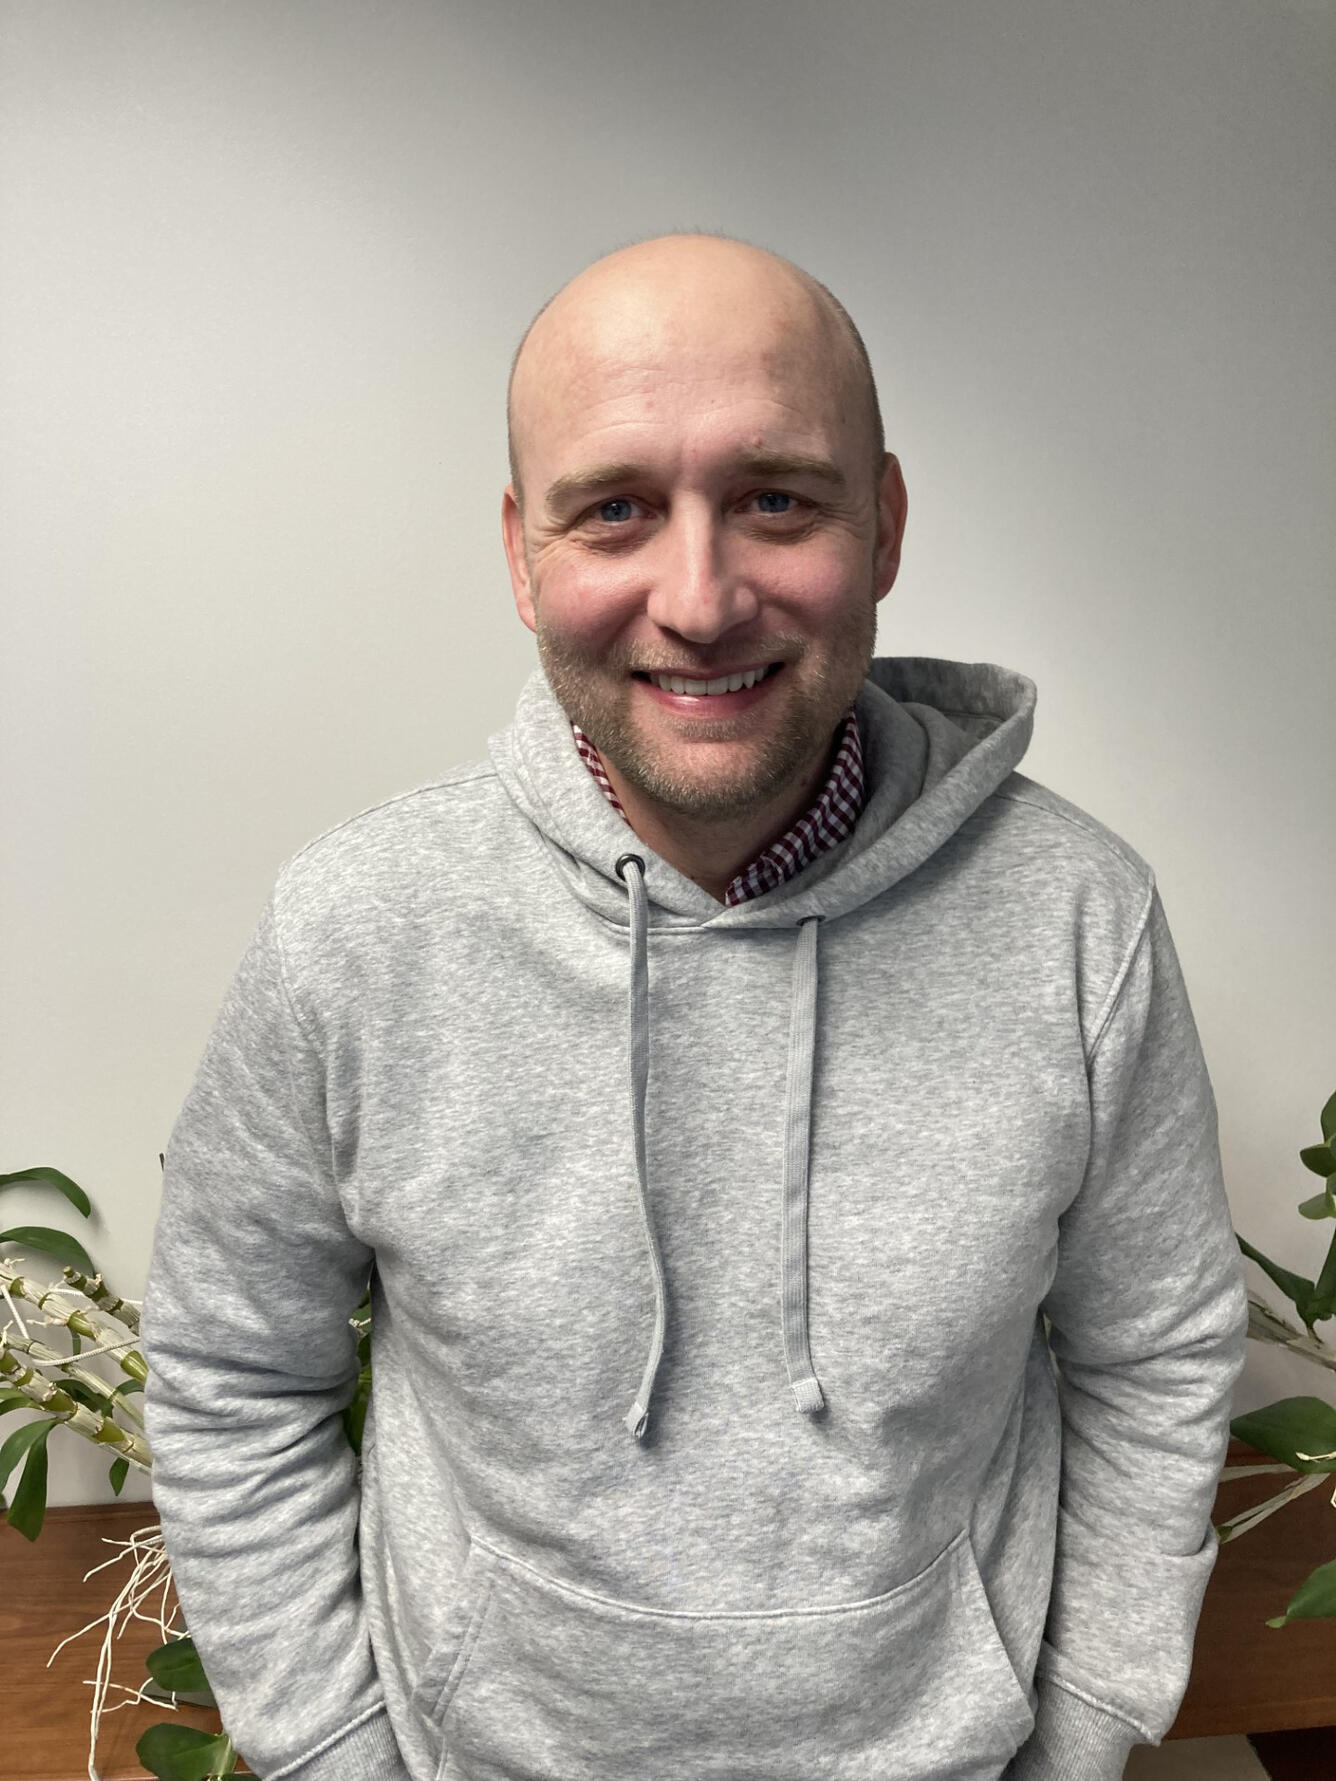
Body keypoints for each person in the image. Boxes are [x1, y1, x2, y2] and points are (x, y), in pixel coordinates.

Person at [142, 234, 1249, 1781]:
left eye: (776, 498)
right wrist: (333, 1752)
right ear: (523, 554)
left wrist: (1082, 1736)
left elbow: (1159, 1351)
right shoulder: (353, 935)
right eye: (616, 510)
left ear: (886, 524)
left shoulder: (1081, 921)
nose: (702, 594)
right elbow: (230, 1375)